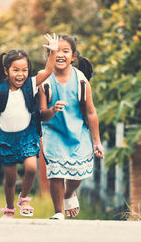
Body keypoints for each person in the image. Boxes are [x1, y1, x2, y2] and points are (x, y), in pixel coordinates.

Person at [0, 33, 58, 218]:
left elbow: (47, 72)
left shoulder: (30, 83)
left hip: (27, 134)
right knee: (10, 178)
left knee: (31, 168)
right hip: (6, 138)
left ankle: (24, 197)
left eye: (24, 70)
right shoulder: (0, 90)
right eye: (15, 70)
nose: (20, 74)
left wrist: (52, 53)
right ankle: (10, 207)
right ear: (6, 71)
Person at [38, 34, 104, 220]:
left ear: (73, 56)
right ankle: (58, 211)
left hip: (77, 132)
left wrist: (96, 142)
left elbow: (91, 112)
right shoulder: (45, 81)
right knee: (56, 172)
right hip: (54, 132)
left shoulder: (81, 80)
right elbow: (41, 114)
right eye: (55, 51)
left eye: (65, 51)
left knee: (77, 173)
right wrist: (52, 110)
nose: (60, 54)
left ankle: (69, 193)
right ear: (49, 55)